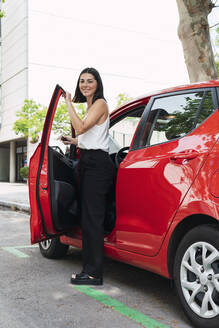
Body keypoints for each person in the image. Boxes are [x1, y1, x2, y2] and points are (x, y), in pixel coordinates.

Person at [62, 67, 113, 286]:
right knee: (88, 219)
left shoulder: (100, 103)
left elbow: (81, 127)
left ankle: (93, 274)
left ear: (97, 83)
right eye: (82, 81)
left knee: (93, 220)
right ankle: (89, 269)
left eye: (89, 81)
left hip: (97, 165)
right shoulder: (91, 106)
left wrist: (68, 104)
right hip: (88, 162)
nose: (85, 84)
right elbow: (90, 136)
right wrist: (72, 142)